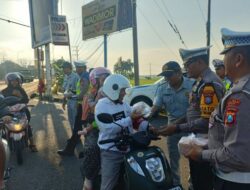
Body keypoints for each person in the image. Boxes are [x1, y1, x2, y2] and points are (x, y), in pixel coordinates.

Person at [184, 28, 250, 190]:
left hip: (236, 181)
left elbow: (237, 155)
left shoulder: (240, 95)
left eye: (225, 55)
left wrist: (200, 154)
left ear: (238, 59)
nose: (223, 61)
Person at [155, 46, 225, 190]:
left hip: (205, 141)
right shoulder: (200, 81)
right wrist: (176, 124)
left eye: (187, 64)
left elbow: (206, 121)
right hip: (198, 139)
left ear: (199, 62)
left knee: (203, 182)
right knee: (197, 179)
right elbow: (192, 111)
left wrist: (177, 127)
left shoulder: (208, 83)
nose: (186, 68)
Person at [95, 74, 144, 190]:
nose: (124, 93)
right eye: (122, 90)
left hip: (128, 148)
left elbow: (135, 118)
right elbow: (107, 128)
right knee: (108, 185)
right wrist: (129, 119)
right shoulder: (102, 105)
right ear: (113, 89)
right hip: (111, 151)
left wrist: (147, 126)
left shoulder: (124, 104)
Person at [149, 61, 194, 186]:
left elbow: (193, 111)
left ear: (179, 73)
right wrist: (145, 118)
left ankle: (192, 184)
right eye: (164, 76)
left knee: (193, 159)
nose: (166, 78)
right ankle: (176, 185)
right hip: (172, 130)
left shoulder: (192, 85)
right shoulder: (162, 88)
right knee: (173, 161)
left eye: (169, 75)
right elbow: (156, 107)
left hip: (190, 128)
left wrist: (176, 124)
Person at [78, 67, 111, 190]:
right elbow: (93, 110)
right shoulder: (94, 92)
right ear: (94, 80)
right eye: (103, 79)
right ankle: (88, 179)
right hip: (94, 124)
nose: (106, 81)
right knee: (92, 149)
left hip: (111, 124)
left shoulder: (114, 90)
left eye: (108, 78)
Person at [57, 60, 89, 156]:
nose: (78, 69)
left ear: (84, 68)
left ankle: (72, 148)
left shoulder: (83, 78)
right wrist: (66, 98)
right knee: (77, 127)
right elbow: (72, 90)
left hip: (81, 105)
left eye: (80, 68)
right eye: (77, 68)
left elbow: (81, 94)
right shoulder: (82, 77)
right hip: (81, 104)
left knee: (79, 126)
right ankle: (72, 146)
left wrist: (72, 96)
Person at [2, 73, 38, 152]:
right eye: (12, 81)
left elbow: (26, 100)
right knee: (2, 126)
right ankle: (2, 145)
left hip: (20, 110)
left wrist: (20, 96)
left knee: (27, 125)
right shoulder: (4, 91)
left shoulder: (21, 90)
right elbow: (1, 102)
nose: (14, 83)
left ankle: (32, 144)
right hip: (9, 112)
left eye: (16, 81)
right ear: (8, 82)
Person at [61, 61, 79, 131]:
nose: (63, 70)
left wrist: (72, 93)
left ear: (68, 68)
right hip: (68, 100)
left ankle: (76, 136)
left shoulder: (76, 77)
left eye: (64, 68)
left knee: (75, 119)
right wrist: (64, 101)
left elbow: (79, 90)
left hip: (74, 101)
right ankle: (73, 135)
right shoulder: (66, 76)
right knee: (70, 119)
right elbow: (65, 89)